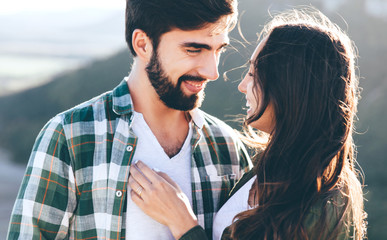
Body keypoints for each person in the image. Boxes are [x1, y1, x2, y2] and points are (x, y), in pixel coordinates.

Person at [7, 0, 252, 239]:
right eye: (193, 50)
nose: (212, 71)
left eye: (218, 50)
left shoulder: (227, 147)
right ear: (143, 44)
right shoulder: (70, 135)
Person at [127, 8, 367, 240]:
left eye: (253, 74)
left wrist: (182, 222)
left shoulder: (325, 202)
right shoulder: (269, 169)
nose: (243, 85)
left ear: (288, 89)